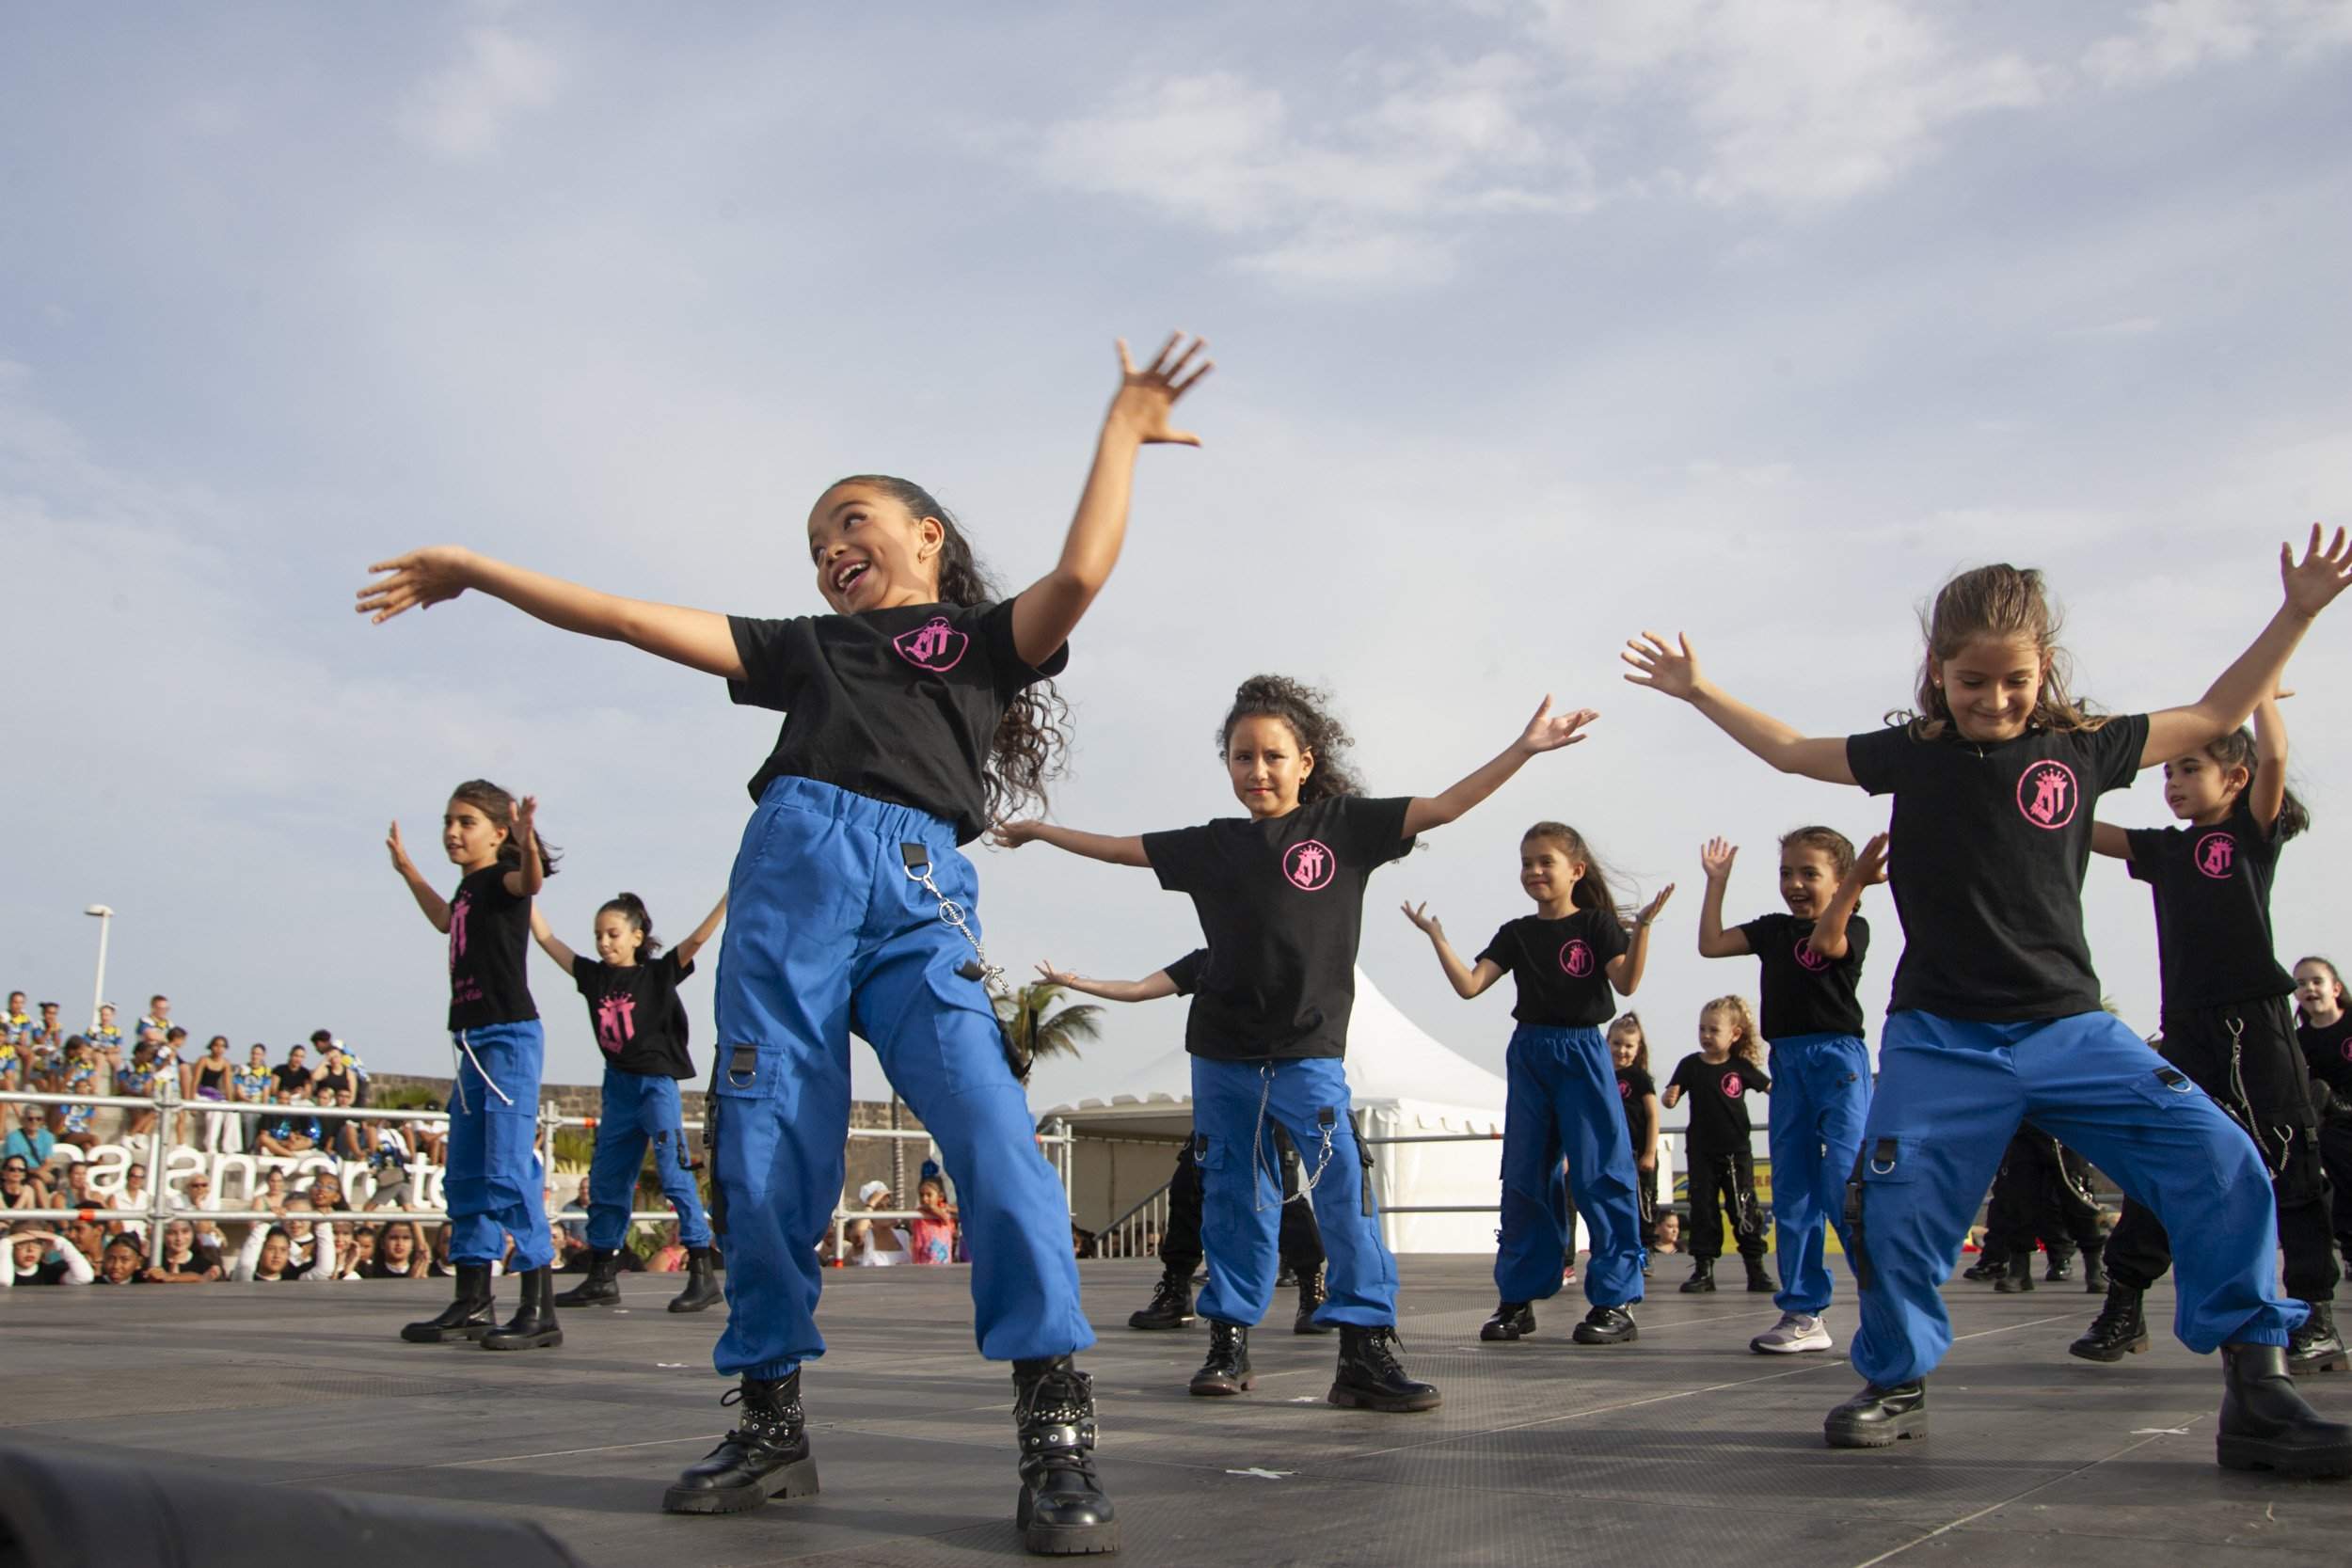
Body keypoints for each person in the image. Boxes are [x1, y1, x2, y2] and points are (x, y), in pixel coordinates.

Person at [358, 334, 1208, 1551]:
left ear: (928, 536)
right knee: (760, 1155)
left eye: (851, 521)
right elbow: (627, 619)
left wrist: (1120, 431)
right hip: (790, 883)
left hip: (917, 891)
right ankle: (770, 1423)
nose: (828, 548)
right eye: (813, 542)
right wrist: (477, 572)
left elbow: (1079, 572)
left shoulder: (976, 641)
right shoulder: (805, 646)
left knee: (993, 1133)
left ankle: (1055, 1423)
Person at [1623, 533, 2352, 1473]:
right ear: (1937, 670)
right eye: (1972, 681)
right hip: (1942, 1038)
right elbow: (1794, 752)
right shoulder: (1913, 754)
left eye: (2015, 680)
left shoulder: (2084, 747)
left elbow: (2215, 710)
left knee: (2220, 1158)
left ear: (2044, 667)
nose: (1995, 699)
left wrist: (2297, 611)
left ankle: (2257, 1387)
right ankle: (1895, 1379)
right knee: (1891, 1206)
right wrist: (1699, 690)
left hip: (2071, 1029)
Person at [997, 673, 1598, 1414]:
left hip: (1309, 1054)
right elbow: (1122, 849)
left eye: (1273, 755)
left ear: (1305, 761)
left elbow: (1445, 805)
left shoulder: (1345, 828)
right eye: (1242, 756)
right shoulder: (1213, 845)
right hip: (1222, 1054)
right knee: (1233, 1195)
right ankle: (1228, 1338)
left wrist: (1524, 748)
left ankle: (1364, 1349)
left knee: (1344, 1191)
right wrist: (1041, 830)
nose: (1258, 770)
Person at [2071, 698, 2344, 1371]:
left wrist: (2260, 693)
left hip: (2256, 1023)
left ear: (2235, 779)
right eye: (2167, 772)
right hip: (2188, 1027)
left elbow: (2274, 755)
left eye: (2189, 768)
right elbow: (2074, 822)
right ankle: (2125, 1304)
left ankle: (2315, 1315)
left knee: (2290, 1160)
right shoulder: (2165, 849)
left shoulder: (2251, 834)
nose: (2173, 782)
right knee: (2166, 1162)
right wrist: (2036, 774)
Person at [1401, 822, 1669, 1349]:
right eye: (1527, 862)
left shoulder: (1595, 925)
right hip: (1530, 1053)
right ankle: (1518, 1299)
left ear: (1577, 870)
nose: (1534, 871)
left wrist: (1643, 931)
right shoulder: (1517, 932)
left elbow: (1626, 981)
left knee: (1599, 1174)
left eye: (1546, 861)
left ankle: (1615, 1300)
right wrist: (1438, 938)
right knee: (1525, 1177)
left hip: (1582, 1052)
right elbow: (1470, 986)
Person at [1039, 952, 1331, 1334]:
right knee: (1188, 1185)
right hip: (1222, 1097)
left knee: (1283, 1192)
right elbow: (1140, 989)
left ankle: (1312, 1289)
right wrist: (1073, 982)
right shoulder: (1207, 961)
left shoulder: (1282, 957)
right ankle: (1176, 1291)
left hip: (1270, 1091)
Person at [386, 781, 561, 1353]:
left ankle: (539, 1306)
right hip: (469, 1042)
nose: (452, 832)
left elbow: (529, 883)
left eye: (466, 822)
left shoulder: (504, 880)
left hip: (508, 1038)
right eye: (448, 821)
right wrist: (408, 869)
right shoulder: (466, 890)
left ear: (498, 832)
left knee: (507, 1170)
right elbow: (444, 919)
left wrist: (528, 843)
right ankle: (473, 1297)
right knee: (463, 1172)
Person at [1697, 828, 1883, 1354]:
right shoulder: (1774, 930)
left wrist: (1857, 884)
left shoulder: (1854, 926)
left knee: (1843, 1183)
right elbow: (1711, 945)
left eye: (1809, 873)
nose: (1794, 884)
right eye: (1786, 872)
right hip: (1789, 1062)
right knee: (1793, 1189)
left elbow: (1825, 943)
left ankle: (1884, 1302)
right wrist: (1717, 883)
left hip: (1837, 1061)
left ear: (1840, 881)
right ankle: (1804, 1312)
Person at [532, 890, 727, 1315]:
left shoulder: (657, 975)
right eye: (598, 935)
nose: (604, 943)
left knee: (674, 1174)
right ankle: (602, 1274)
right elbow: (546, 939)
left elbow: (697, 940)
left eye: (613, 934)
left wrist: (728, 899)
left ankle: (701, 1270)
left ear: (637, 937)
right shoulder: (593, 977)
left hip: (655, 1086)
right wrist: (525, 888)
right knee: (607, 1179)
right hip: (618, 1087)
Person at [1661, 998, 1773, 1295]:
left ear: (1734, 1034)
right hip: (1701, 1152)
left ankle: (1755, 1268)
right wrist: (1669, 1097)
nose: (1706, 1035)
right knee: (1703, 1209)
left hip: (1736, 1152)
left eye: (1714, 1030)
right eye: (1702, 1029)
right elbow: (1671, 1095)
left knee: (1743, 1208)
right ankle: (1703, 1269)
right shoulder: (1690, 1065)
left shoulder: (1739, 1067)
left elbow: (1769, 1087)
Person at [1982, 1126, 2106, 1291]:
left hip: (2065, 1130)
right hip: (2024, 1132)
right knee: (2018, 1199)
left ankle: (2094, 1267)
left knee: (2078, 1198)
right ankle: (2019, 1269)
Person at [2294, 958, 2352, 1277]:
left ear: (2336, 988)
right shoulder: (2300, 1042)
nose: (2310, 988)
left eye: (2317, 981)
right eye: (2301, 984)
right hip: (2333, 1122)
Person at [1609, 1015, 1662, 1260]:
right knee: (1613, 1203)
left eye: (1629, 1045)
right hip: (1612, 1152)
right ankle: (1618, 1252)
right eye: (1617, 1043)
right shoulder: (1602, 1075)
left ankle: (1644, 1252)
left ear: (1638, 1048)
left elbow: (1652, 1115)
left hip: (1637, 1151)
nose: (1622, 1050)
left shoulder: (1640, 1078)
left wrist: (1649, 1152)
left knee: (1643, 1203)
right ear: (1607, 1042)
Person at [3, 1222, 94, 1286]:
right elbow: (4, 1281)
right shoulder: (5, 1273)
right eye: (22, 1244)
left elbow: (84, 1277)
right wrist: (5, 1242)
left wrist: (60, 1241)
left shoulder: (51, 1272)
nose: (30, 1249)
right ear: (11, 1247)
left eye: (37, 1243)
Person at [844, 1180, 911, 1265]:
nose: (886, 1211)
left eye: (889, 1205)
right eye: (879, 1207)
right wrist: (871, 1203)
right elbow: (857, 1235)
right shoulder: (866, 1238)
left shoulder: (904, 1235)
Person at [142, 1217, 223, 1283]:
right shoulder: (151, 1263)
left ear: (193, 1233)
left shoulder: (205, 1265)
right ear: (163, 1235)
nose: (179, 1238)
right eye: (172, 1233)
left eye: (185, 1231)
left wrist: (170, 1277)